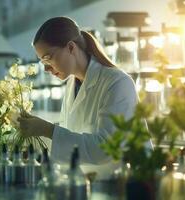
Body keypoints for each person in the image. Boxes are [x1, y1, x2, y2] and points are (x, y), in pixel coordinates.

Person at [17, 16, 140, 179]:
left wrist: (48, 130)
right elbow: (70, 140)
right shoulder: (71, 85)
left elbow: (106, 149)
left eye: (48, 58)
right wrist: (34, 130)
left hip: (125, 186)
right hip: (89, 184)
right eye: (42, 62)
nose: (46, 68)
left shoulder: (117, 82)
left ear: (70, 47)